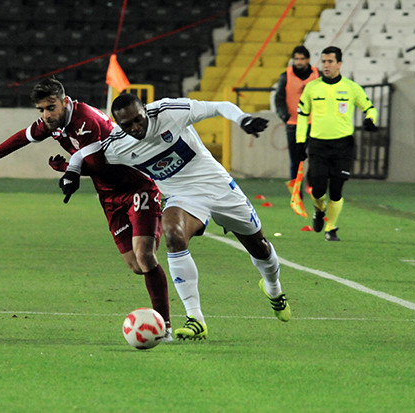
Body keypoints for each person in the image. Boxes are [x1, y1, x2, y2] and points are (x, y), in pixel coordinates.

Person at [63, 94, 291, 340]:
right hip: (181, 197)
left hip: (218, 186)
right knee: (173, 235)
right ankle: (196, 319)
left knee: (259, 246)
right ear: (119, 124)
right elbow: (86, 154)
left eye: (138, 120)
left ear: (145, 111)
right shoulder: (119, 143)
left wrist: (243, 119)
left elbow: (220, 106)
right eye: (127, 125)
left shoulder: (169, 111)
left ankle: (273, 289)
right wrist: (72, 171)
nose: (135, 128)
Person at [0, 78, 173, 340]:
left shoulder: (85, 120)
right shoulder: (52, 123)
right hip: (109, 196)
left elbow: (97, 163)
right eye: (41, 110)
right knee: (136, 265)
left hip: (137, 185)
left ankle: (164, 327)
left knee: (145, 256)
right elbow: (22, 138)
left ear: (65, 102)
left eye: (51, 107)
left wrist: (71, 170)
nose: (46, 115)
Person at [296, 46, 378, 241]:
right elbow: (302, 116)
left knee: (336, 189)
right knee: (317, 188)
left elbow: (370, 108)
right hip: (318, 145)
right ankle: (319, 209)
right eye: (323, 61)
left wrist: (370, 120)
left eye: (330, 61)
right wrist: (300, 142)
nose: (326, 65)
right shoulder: (312, 88)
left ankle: (330, 228)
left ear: (339, 64)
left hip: (343, 146)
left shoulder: (351, 88)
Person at [274, 45, 320, 182]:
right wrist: (284, 115)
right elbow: (279, 99)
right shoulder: (285, 76)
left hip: (315, 124)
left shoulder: (318, 76)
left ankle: (313, 188)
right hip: (294, 124)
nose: (299, 62)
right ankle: (296, 194)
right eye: (296, 59)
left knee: (316, 160)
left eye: (302, 59)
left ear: (308, 60)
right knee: (296, 162)